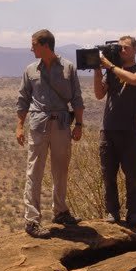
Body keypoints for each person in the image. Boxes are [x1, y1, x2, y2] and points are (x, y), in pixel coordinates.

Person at [16, 29, 85, 238]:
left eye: (34, 44)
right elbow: (23, 99)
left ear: (45, 45)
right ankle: (32, 220)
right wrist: (19, 125)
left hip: (62, 124)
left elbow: (77, 99)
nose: (31, 48)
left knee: (60, 171)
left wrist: (79, 125)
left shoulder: (68, 68)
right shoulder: (30, 70)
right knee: (34, 172)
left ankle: (61, 212)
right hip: (38, 124)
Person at [93, 36, 136, 227]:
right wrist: (97, 70)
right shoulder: (111, 71)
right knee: (108, 174)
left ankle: (133, 213)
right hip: (108, 129)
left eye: (126, 48)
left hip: (129, 130)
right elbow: (99, 94)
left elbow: (133, 80)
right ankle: (112, 211)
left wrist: (110, 67)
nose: (122, 51)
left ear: (135, 50)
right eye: (120, 48)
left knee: (132, 175)